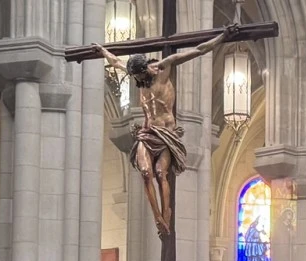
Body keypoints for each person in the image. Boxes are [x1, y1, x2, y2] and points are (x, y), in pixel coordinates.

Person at [93, 26, 237, 238]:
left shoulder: (164, 69)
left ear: (147, 68)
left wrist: (223, 36)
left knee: (161, 174)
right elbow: (116, 62)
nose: (141, 79)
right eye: (138, 76)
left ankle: (166, 213)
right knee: (144, 172)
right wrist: (102, 51)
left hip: (167, 134)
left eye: (142, 74)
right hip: (147, 132)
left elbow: (198, 50)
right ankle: (157, 216)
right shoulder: (138, 76)